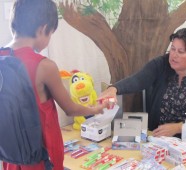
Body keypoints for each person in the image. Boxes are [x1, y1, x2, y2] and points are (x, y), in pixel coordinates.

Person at [0, 0, 108, 170]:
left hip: (11, 156)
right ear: (42, 29)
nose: (49, 39)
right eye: (50, 34)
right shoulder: (44, 66)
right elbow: (70, 109)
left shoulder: (2, 57)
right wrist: (94, 109)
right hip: (41, 156)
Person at [99, 27, 186, 140]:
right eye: (173, 49)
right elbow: (138, 80)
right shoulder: (161, 64)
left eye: (181, 52)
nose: (174, 55)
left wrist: (178, 127)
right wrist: (114, 88)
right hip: (162, 133)